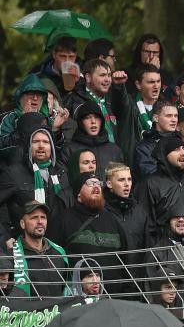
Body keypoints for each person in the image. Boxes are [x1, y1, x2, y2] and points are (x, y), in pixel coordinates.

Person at [0, 113, 73, 244]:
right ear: (29, 146)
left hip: (60, 244)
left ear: (52, 147)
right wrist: (4, 237)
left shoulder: (62, 173)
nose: (41, 146)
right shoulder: (13, 173)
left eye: (46, 142)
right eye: (35, 142)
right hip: (24, 245)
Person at [135, 135, 184, 229]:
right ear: (164, 155)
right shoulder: (150, 183)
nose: (183, 153)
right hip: (162, 238)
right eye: (176, 149)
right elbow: (144, 221)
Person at [2, 201, 69, 298]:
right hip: (25, 308)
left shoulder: (59, 252)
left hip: (59, 307)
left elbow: (66, 289)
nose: (40, 221)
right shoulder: (11, 255)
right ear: (22, 224)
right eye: (34, 218)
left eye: (43, 217)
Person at [68, 100, 124, 176]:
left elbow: (122, 177)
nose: (93, 121)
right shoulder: (69, 150)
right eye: (87, 118)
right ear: (81, 122)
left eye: (97, 117)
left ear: (102, 121)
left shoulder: (115, 151)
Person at [104, 163, 151, 250]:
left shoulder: (139, 211)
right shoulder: (100, 211)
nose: (127, 184)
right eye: (121, 180)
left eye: (129, 179)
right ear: (109, 184)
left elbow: (147, 246)